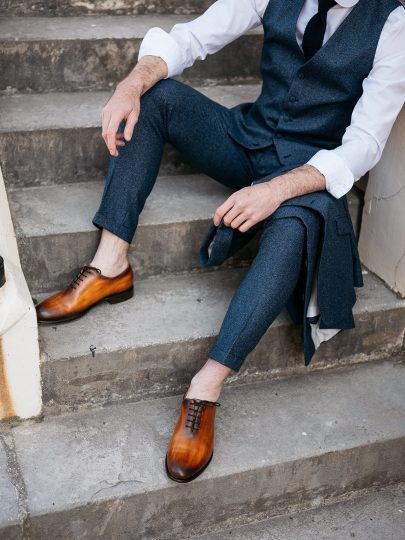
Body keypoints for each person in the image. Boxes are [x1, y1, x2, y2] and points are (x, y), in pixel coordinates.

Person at [35, 0, 405, 483]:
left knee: (295, 231)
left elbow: (364, 145)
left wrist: (275, 189)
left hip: (307, 171)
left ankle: (205, 388)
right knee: (156, 95)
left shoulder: (393, 22)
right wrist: (131, 84)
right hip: (250, 137)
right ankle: (110, 266)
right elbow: (190, 39)